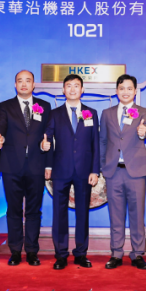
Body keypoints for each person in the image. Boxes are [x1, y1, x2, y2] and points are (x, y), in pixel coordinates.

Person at [40, 74, 100, 270]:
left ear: (82, 90)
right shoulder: (55, 114)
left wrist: (95, 170)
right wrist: (43, 147)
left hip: (84, 170)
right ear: (63, 90)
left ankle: (81, 254)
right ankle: (61, 254)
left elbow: (95, 143)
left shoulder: (91, 113)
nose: (72, 89)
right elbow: (47, 138)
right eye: (69, 86)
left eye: (76, 86)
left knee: (83, 213)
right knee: (59, 214)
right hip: (61, 169)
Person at [0, 70, 51, 267]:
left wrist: (48, 159)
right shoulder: (5, 106)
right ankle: (16, 251)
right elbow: (0, 125)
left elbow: (49, 133)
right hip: (12, 165)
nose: (24, 84)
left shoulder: (44, 106)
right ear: (15, 85)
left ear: (34, 85)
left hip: (37, 164)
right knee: (14, 210)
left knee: (34, 211)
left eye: (28, 81)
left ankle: (32, 251)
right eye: (20, 81)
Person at [99, 74, 146, 270]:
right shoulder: (107, 113)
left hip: (135, 172)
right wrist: (102, 166)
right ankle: (116, 253)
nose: (125, 92)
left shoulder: (143, 111)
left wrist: (144, 131)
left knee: (137, 215)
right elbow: (103, 141)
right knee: (116, 215)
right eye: (122, 88)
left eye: (129, 88)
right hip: (113, 171)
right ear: (116, 91)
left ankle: (137, 254)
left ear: (135, 91)